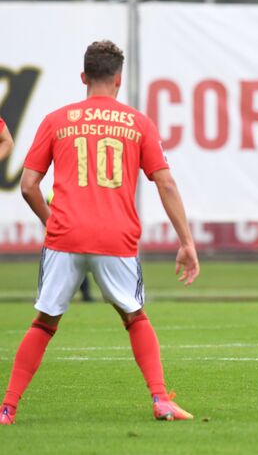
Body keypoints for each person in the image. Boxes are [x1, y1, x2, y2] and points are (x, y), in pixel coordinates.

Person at [0, 40, 200, 425]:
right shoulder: (137, 122)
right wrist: (186, 243)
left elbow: (28, 185)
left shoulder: (56, 120)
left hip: (64, 237)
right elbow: (167, 184)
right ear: (118, 81)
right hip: (116, 238)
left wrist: (52, 221)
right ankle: (160, 400)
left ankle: (7, 408)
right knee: (134, 317)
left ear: (83, 77)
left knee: (43, 323)